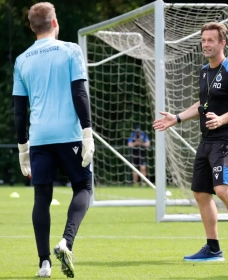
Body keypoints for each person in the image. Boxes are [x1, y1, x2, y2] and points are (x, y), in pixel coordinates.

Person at [153, 22, 228, 264]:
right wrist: (177, 117)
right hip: (207, 141)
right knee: (201, 193)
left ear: (223, 43)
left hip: (226, 140)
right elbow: (202, 105)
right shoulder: (204, 71)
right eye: (203, 40)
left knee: (222, 189)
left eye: (211, 40)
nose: (206, 44)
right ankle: (213, 249)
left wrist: (221, 119)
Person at [13, 2, 94, 278]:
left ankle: (43, 263)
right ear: (55, 22)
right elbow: (80, 94)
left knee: (41, 197)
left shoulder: (22, 60)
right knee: (83, 186)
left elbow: (19, 110)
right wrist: (87, 132)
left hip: (39, 139)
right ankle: (66, 242)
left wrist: (23, 146)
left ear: (32, 27)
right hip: (69, 135)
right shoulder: (71, 50)